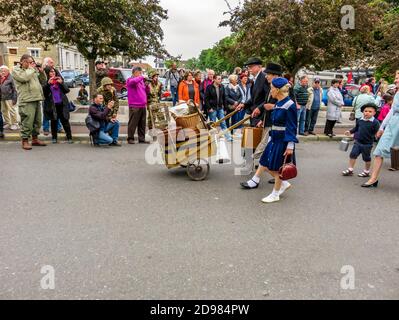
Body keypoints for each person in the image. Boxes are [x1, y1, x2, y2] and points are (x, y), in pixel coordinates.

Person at [240, 77, 298, 203]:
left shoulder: (290, 105)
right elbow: (275, 122)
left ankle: (275, 193)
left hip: (283, 140)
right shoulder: (278, 104)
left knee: (277, 168)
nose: (270, 91)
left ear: (277, 90)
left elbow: (292, 127)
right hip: (274, 138)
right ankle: (283, 184)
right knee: (265, 162)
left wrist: (290, 146)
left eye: (271, 89)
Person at [363, 77, 399, 188]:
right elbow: (392, 111)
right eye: (396, 78)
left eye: (398, 78)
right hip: (394, 124)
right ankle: (373, 179)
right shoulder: (397, 94)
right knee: (379, 151)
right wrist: (382, 127)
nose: (396, 80)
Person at [12, 54, 47, 150]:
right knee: (27, 121)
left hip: (36, 98)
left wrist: (42, 72)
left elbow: (43, 81)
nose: (32, 64)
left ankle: (35, 139)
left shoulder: (32, 71)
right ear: (23, 62)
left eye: (33, 62)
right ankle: (25, 141)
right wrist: (32, 69)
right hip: (26, 100)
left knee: (37, 121)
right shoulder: (16, 71)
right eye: (30, 62)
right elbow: (24, 78)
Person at [342, 103, 380, 178]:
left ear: (374, 113)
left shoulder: (375, 122)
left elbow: (377, 132)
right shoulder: (360, 120)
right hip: (358, 142)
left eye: (370, 111)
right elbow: (356, 128)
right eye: (365, 111)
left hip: (367, 144)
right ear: (363, 112)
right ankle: (350, 170)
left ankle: (366, 171)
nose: (367, 113)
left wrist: (378, 137)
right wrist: (350, 132)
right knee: (353, 155)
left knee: (366, 158)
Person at [42, 67, 73, 143]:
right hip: (53, 106)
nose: (52, 73)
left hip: (62, 105)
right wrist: (48, 84)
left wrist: (61, 83)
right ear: (48, 73)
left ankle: (69, 137)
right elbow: (44, 94)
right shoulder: (46, 82)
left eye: (53, 72)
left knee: (65, 121)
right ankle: (54, 138)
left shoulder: (59, 80)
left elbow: (67, 90)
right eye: (51, 72)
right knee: (54, 122)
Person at [205, 74, 233, 142]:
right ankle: (213, 138)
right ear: (214, 79)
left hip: (220, 108)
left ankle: (228, 137)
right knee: (213, 124)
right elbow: (206, 99)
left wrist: (225, 108)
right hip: (212, 108)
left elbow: (224, 98)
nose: (220, 80)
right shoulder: (209, 87)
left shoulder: (222, 87)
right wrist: (209, 108)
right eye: (218, 79)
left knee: (223, 123)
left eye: (220, 79)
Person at [126, 66, 150, 144]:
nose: (140, 74)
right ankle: (130, 138)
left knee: (142, 124)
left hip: (143, 105)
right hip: (135, 105)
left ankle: (141, 138)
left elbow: (146, 91)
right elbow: (133, 82)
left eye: (141, 73)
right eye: (139, 73)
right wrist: (141, 77)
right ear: (134, 73)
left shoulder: (140, 81)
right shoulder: (130, 80)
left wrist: (147, 86)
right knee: (133, 123)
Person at [242, 57, 268, 127]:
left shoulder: (265, 78)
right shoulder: (254, 79)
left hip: (261, 116)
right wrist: (244, 104)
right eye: (248, 67)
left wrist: (259, 108)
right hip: (254, 115)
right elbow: (254, 97)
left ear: (259, 67)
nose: (249, 69)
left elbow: (268, 98)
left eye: (251, 66)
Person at [42, 57, 62, 135]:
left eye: (52, 62)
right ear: (46, 63)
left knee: (57, 112)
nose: (52, 64)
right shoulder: (43, 72)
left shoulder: (54, 70)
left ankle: (59, 127)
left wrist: (55, 69)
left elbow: (60, 77)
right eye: (51, 62)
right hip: (47, 96)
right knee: (46, 112)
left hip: (56, 95)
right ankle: (46, 128)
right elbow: (43, 80)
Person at [0, 65, 18, 130]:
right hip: (2, 97)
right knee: (4, 111)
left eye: (4, 71)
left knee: (12, 111)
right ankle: (8, 123)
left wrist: (14, 99)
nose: (3, 72)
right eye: (1, 71)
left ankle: (15, 124)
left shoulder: (11, 78)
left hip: (10, 97)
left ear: (8, 71)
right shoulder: (0, 77)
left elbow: (15, 89)